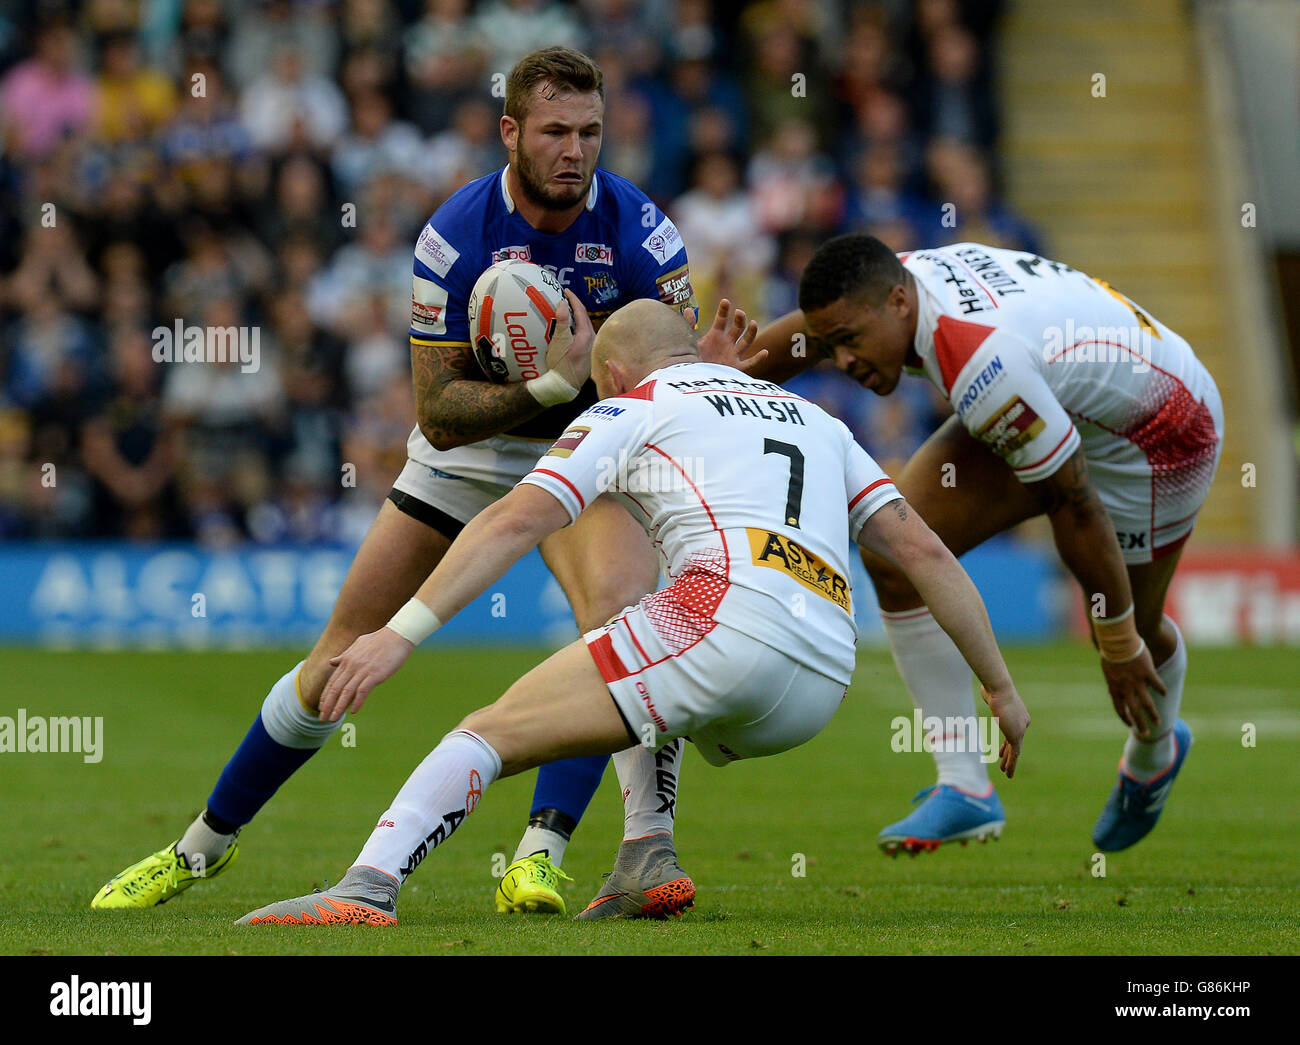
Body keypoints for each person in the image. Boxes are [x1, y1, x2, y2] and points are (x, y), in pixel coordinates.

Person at [92, 47, 740, 921]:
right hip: (473, 449)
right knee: (335, 661)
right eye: (554, 131)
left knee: (618, 624)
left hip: (587, 447)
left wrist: (655, 381)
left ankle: (543, 856)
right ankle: (198, 848)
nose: (574, 150)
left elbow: (667, 377)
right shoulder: (455, 235)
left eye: (590, 132)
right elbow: (439, 413)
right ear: (510, 131)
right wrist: (548, 383)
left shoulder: (642, 231)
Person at [234, 297, 1030, 926]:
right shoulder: (820, 421)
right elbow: (923, 552)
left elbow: (516, 519)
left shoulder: (628, 408)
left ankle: (366, 887)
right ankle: (647, 853)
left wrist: (398, 635)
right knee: (646, 646)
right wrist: (999, 687)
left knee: (485, 731)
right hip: (825, 664)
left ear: (612, 374)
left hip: (725, 621)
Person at [742, 235, 1222, 854]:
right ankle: (965, 788)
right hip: (1062, 393)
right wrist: (703, 381)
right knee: (893, 552)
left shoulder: (980, 361)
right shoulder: (891, 289)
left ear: (898, 304)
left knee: (1138, 630)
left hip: (1160, 431)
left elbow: (1070, 502)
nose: (842, 362)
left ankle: (1154, 755)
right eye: (833, 346)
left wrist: (1117, 636)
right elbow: (799, 336)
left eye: (851, 342)